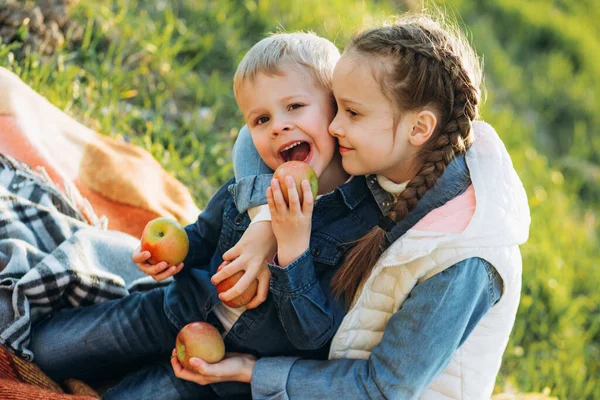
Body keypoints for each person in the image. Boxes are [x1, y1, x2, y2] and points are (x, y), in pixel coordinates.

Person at [171, 14, 530, 399]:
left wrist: (253, 372)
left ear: (419, 128)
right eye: (336, 108)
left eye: (352, 113)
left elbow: (382, 389)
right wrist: (264, 225)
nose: (333, 127)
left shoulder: (463, 256)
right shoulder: (391, 158)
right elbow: (253, 137)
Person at [28, 32, 383, 399]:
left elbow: (311, 334)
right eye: (261, 119)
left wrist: (293, 248)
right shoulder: (257, 176)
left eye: (294, 106)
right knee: (44, 348)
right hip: (176, 309)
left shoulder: (357, 225)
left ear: (336, 109)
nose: (278, 126)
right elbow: (204, 233)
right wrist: (172, 256)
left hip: (220, 374)